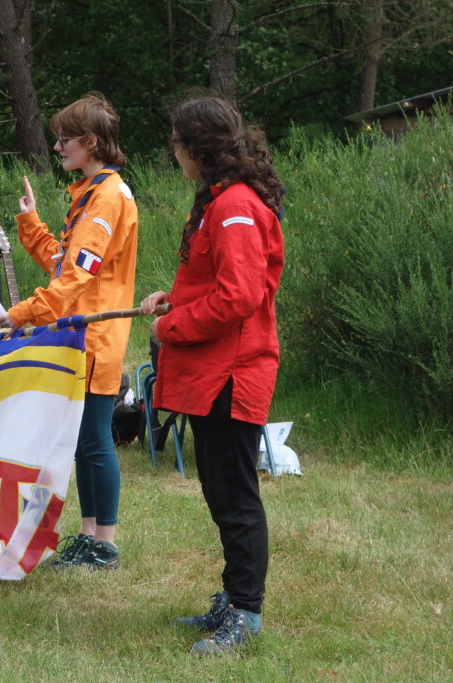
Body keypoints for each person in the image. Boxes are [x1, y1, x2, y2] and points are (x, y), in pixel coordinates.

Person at [139, 96, 284, 656]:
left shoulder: (235, 207)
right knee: (220, 488)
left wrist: (172, 326)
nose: (174, 152)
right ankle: (233, 595)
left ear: (196, 145)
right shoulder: (220, 202)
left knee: (237, 495)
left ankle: (245, 615)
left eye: (176, 141)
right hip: (214, 372)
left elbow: (241, 295)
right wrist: (174, 298)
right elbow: (221, 280)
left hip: (233, 372)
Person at [0, 93, 138, 571]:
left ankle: (106, 544)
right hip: (78, 333)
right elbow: (65, 264)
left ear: (91, 143)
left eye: (65, 139)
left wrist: (21, 313)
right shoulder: (91, 192)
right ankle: (87, 535)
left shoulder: (108, 198)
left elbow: (76, 278)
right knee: (81, 442)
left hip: (94, 336)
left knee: (95, 439)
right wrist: (31, 223)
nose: (58, 147)